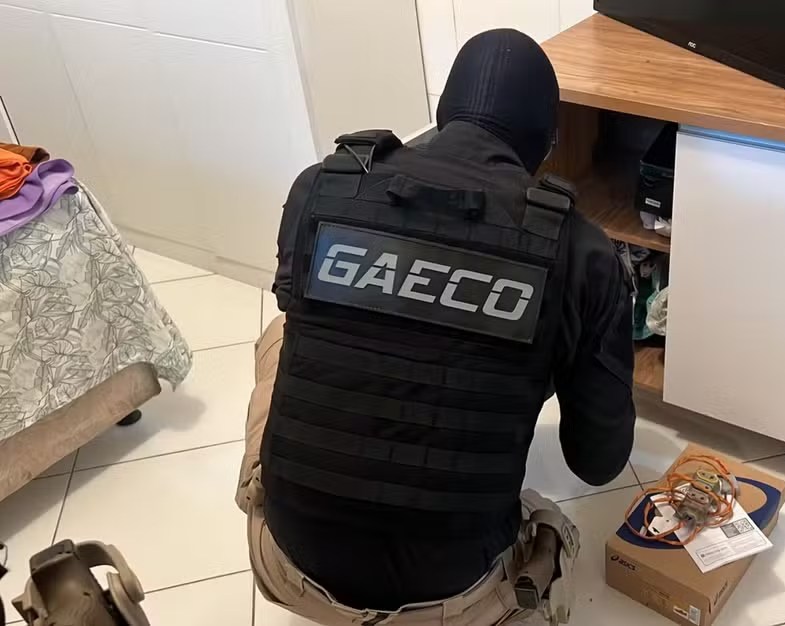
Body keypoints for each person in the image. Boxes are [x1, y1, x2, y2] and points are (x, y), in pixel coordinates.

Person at [237, 29, 636, 625]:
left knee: (280, 334)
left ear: (444, 113)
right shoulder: (582, 249)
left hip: (285, 565)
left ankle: (266, 492)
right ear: (549, 143)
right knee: (548, 513)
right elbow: (598, 463)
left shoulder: (321, 185)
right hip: (459, 600)